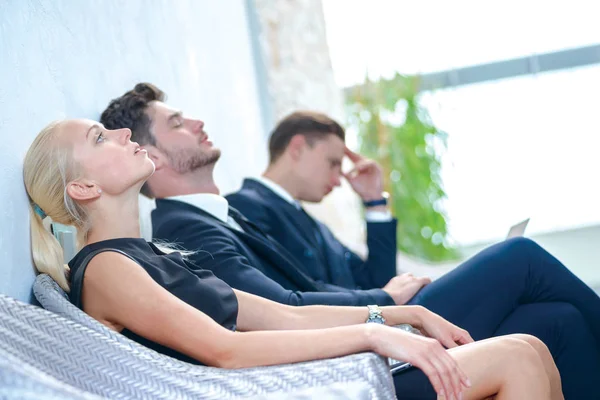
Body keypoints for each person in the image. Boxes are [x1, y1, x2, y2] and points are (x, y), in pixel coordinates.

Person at [99, 84, 598, 399]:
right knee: (518, 258)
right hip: (336, 353)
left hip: (361, 326)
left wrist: (376, 215)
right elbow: (282, 310)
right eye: (178, 123)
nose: (199, 123)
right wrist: (387, 308)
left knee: (556, 321)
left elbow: (328, 288)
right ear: (153, 156)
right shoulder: (189, 229)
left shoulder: (230, 217)